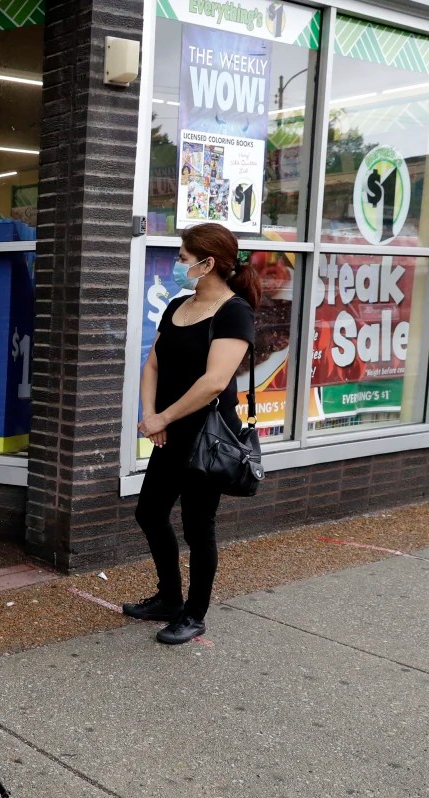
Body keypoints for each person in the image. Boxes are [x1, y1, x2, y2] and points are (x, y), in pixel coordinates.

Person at [123, 222, 258, 644]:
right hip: (169, 430)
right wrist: (152, 414)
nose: (177, 266)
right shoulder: (178, 305)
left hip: (208, 436)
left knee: (199, 527)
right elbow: (153, 364)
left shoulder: (235, 312)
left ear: (208, 263)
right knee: (149, 512)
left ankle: (194, 613)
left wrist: (164, 418)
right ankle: (168, 598)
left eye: (182, 259)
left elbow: (215, 381)